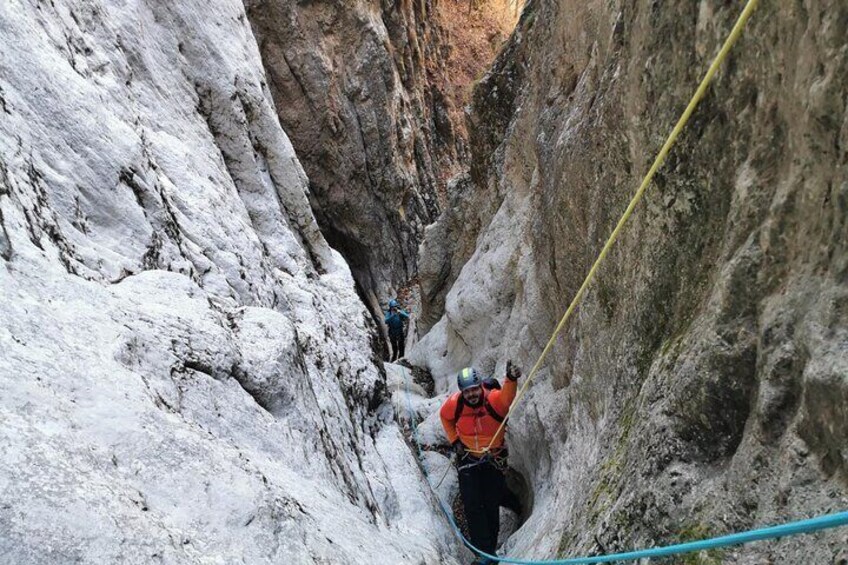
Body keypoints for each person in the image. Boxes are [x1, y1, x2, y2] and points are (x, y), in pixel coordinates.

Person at [440, 362, 522, 564]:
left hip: (493, 459)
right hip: (468, 458)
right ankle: (486, 554)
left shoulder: (493, 400)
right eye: (467, 392)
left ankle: (511, 506)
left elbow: (506, 398)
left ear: (481, 387)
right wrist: (455, 441)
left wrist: (511, 380)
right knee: (473, 505)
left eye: (475, 389)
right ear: (462, 392)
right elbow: (444, 416)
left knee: (491, 503)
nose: (472, 395)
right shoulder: (455, 404)